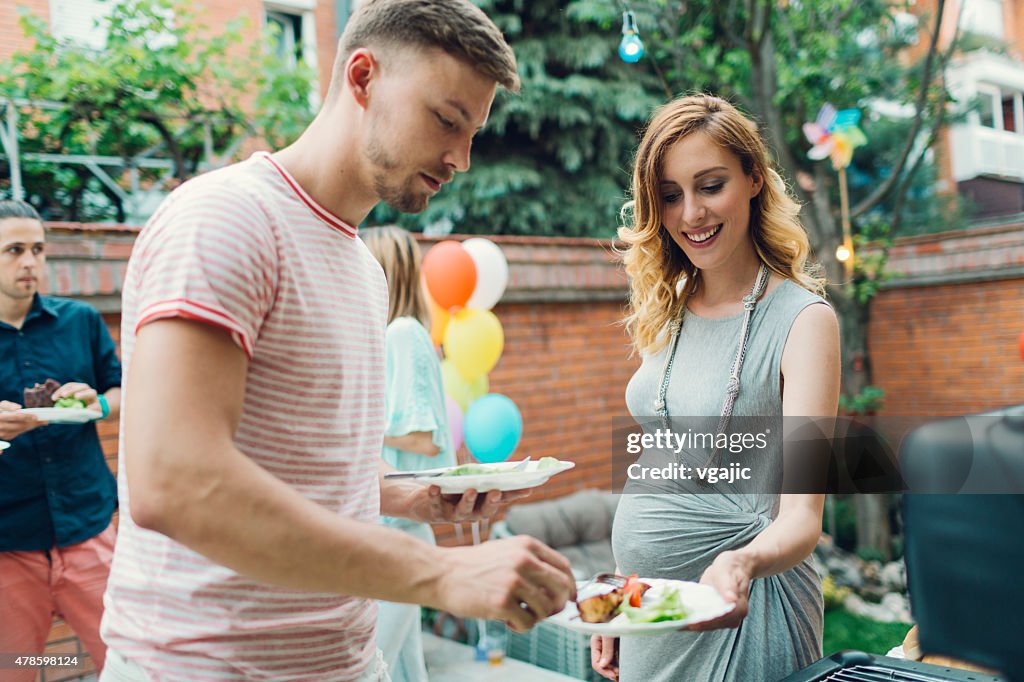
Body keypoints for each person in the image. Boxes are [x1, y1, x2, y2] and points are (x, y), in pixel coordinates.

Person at [99, 2, 575, 681]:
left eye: (472, 133)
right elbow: (175, 483)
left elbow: (309, 464)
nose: (461, 159)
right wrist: (438, 573)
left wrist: (409, 496)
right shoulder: (227, 218)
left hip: (348, 663)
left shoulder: (361, 268)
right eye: (446, 120)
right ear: (362, 77)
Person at [591, 94, 841, 682]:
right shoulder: (668, 311)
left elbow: (803, 520)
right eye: (671, 195)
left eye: (710, 185)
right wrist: (623, 598)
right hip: (656, 617)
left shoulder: (803, 322)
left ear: (754, 178)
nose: (691, 214)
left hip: (747, 613)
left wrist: (742, 561)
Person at [0, 199, 122, 680]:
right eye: (13, 250)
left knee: (127, 659)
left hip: (88, 532)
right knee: (18, 667)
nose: (30, 262)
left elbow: (120, 390)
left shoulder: (80, 321)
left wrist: (97, 403)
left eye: (37, 249)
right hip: (8, 545)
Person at [362, 225, 454, 681]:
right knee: (404, 669)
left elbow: (424, 437)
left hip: (399, 530)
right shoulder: (400, 332)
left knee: (373, 663)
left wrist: (351, 426)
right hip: (394, 530)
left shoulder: (402, 332)